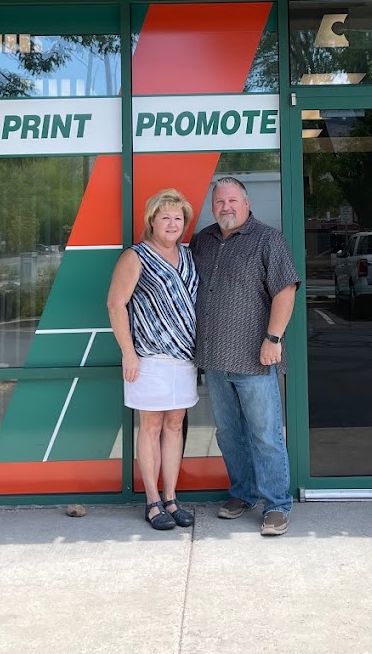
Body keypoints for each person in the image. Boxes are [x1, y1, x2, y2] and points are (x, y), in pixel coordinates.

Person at [190, 176, 300, 537]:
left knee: (265, 434)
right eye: (220, 202)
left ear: (247, 204)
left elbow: (285, 290)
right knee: (228, 433)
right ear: (212, 207)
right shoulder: (202, 241)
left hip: (255, 358)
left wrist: (273, 338)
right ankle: (243, 493)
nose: (226, 207)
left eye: (232, 201)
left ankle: (277, 504)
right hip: (214, 359)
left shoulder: (267, 239)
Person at [107, 188, 199, 530]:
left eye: (178, 218)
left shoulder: (188, 255)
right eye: (165, 218)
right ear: (152, 221)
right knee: (151, 426)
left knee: (175, 425)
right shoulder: (136, 256)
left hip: (184, 358)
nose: (172, 224)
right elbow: (115, 304)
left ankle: (172, 498)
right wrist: (128, 353)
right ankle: (152, 502)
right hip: (149, 358)